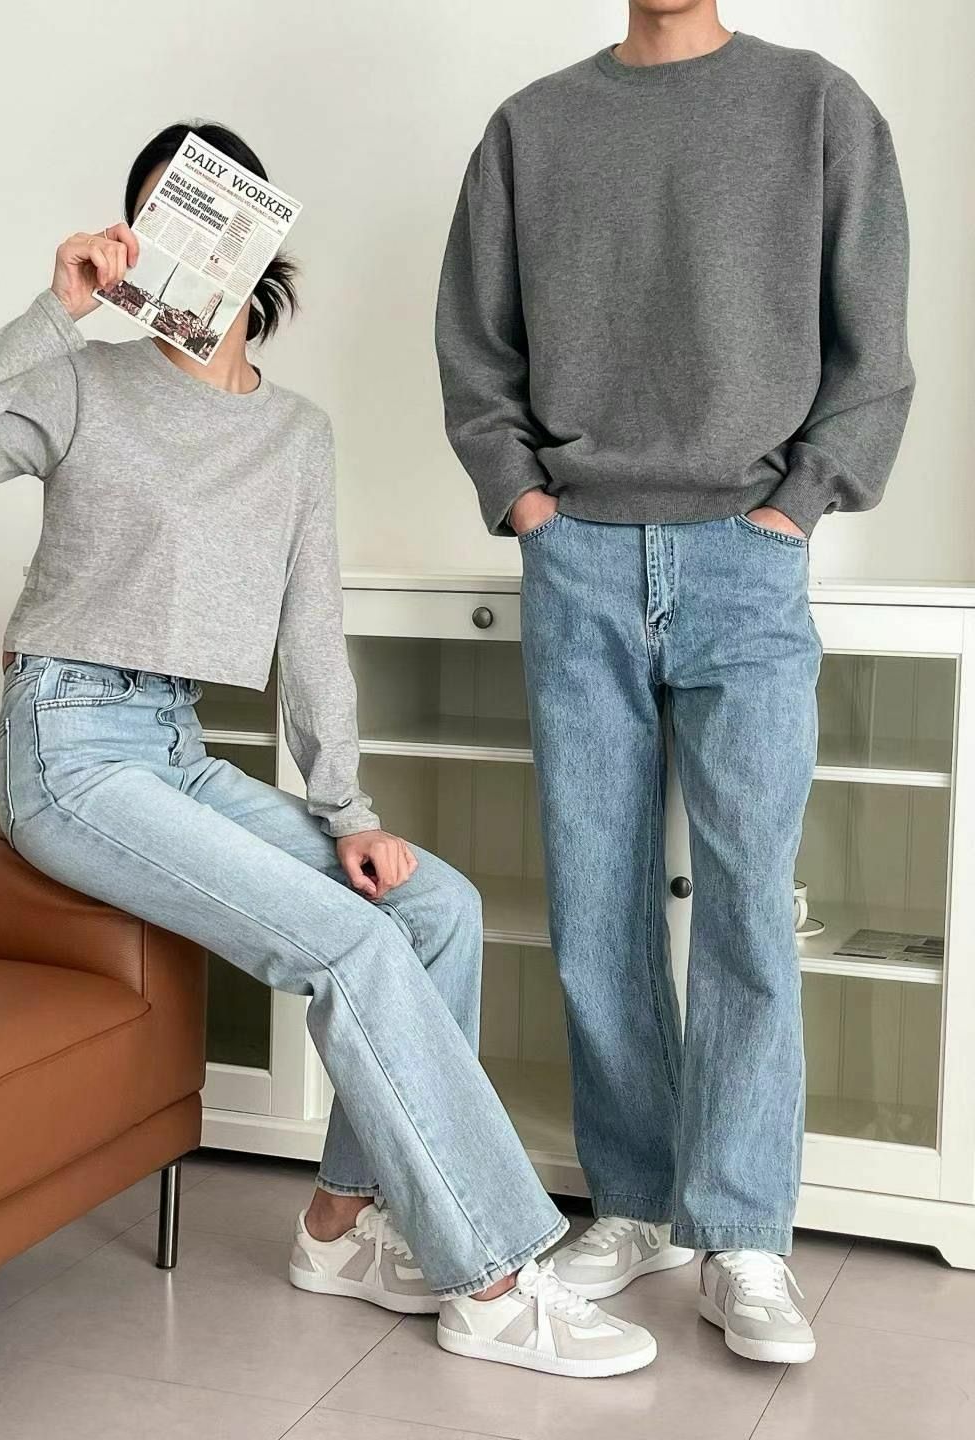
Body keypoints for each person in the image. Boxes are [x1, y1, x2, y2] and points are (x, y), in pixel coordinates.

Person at [0, 120, 663, 1380]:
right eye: (158, 217)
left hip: (174, 742)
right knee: (348, 947)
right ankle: (494, 1277)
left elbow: (311, 636)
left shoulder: (296, 434)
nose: (186, 243)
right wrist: (54, 310)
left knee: (436, 909)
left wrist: (349, 810)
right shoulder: (84, 380)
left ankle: (339, 1230)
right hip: (69, 746)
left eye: (211, 215)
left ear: (257, 241)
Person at [436, 0, 914, 1367]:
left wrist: (797, 506)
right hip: (578, 556)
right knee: (597, 901)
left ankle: (745, 1231)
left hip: (747, 560)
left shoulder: (817, 106)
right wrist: (527, 504)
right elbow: (476, 347)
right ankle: (639, 1202)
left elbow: (874, 348)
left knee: (750, 901)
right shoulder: (530, 129)